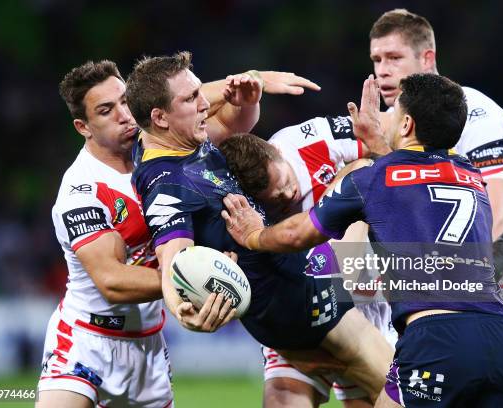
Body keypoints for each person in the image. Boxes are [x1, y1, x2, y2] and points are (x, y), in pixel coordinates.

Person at [222, 73, 503, 407]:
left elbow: (296, 233)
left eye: (394, 113)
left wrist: (254, 235)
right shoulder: (471, 176)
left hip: (435, 338)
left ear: (406, 124)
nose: (388, 117)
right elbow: (415, 184)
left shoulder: (371, 178)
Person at [37, 59, 318, 407]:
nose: (124, 115)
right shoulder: (82, 190)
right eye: (106, 111)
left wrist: (255, 79)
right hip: (86, 339)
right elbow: (111, 280)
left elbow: (195, 103)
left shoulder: (159, 150)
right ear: (84, 126)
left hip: (148, 342)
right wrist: (199, 276)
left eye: (125, 101)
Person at [127, 51, 393, 403]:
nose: (205, 102)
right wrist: (182, 310)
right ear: (160, 118)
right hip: (302, 304)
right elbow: (172, 257)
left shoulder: (180, 140)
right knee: (407, 389)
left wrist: (258, 79)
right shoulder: (167, 182)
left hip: (293, 290)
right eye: (191, 99)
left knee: (380, 388)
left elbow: (231, 118)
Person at [365, 8, 503, 389]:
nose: (383, 70)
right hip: (438, 288)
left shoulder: (477, 117)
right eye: (377, 60)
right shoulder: (389, 125)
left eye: (395, 58)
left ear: (427, 59)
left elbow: (502, 220)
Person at [219, 78, 395, 407]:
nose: (289, 195)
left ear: (275, 152)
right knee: (282, 399)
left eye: (285, 181)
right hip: (298, 309)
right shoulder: (238, 210)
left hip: (365, 296)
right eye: (277, 201)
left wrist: (380, 138)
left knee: (361, 172)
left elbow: (389, 151)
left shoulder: (310, 140)